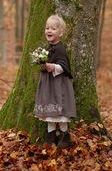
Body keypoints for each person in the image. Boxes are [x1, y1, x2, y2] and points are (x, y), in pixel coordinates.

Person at [33, 14, 76, 148]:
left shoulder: (60, 49)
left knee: (60, 111)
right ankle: (50, 136)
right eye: (47, 28)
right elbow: (44, 62)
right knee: (50, 113)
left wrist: (53, 67)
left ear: (61, 33)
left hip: (59, 86)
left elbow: (64, 67)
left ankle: (64, 136)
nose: (49, 31)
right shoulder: (47, 48)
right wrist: (39, 60)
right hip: (48, 85)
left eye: (53, 28)